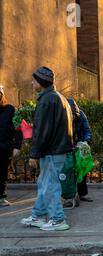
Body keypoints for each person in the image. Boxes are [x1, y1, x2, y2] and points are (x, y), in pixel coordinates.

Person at [20, 66, 73, 231]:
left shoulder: (47, 100)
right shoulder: (57, 98)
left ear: (41, 82)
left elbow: (43, 131)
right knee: (45, 183)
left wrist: (34, 154)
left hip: (52, 150)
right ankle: (38, 215)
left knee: (49, 185)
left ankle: (58, 220)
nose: (32, 83)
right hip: (57, 149)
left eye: (34, 80)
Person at [67, 98, 93, 205]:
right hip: (67, 145)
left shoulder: (80, 114)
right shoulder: (62, 114)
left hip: (79, 144)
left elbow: (87, 130)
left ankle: (82, 194)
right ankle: (70, 194)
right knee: (69, 170)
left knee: (81, 169)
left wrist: (85, 141)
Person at [0, 85, 23, 207]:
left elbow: (18, 129)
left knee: (2, 173)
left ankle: (1, 197)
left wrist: (17, 146)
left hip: (4, 148)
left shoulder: (10, 110)